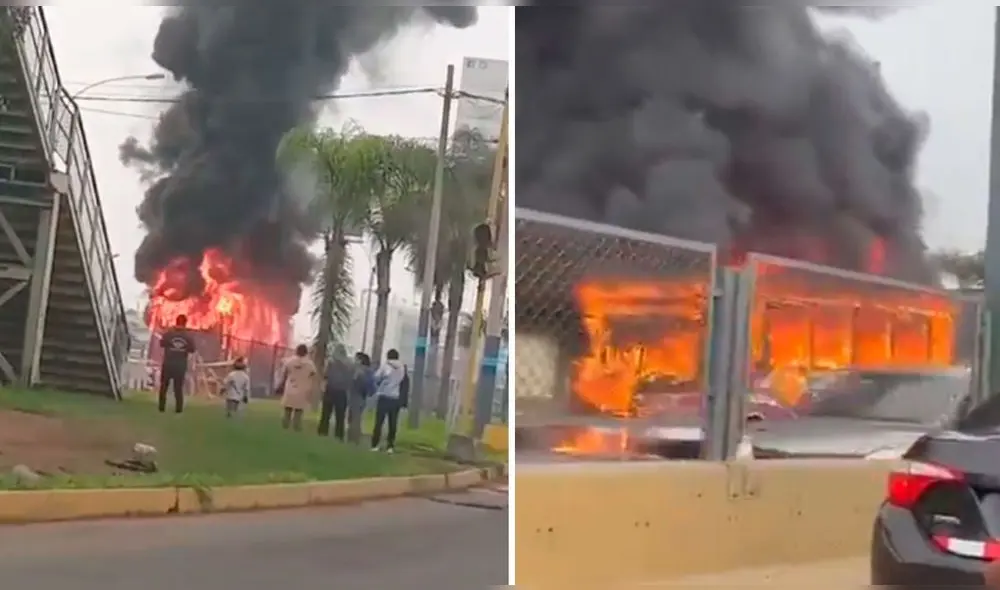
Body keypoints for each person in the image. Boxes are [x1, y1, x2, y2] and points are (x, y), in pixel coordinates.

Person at [370, 349, 407, 453]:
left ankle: (375, 444)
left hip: (384, 396)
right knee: (393, 422)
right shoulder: (402, 368)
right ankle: (390, 446)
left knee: (379, 422)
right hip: (395, 397)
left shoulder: (385, 366)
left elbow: (376, 377)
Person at [158, 314, 196, 414]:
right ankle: (178, 409)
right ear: (185, 323)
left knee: (164, 386)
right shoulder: (188, 336)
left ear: (176, 321)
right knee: (178, 388)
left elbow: (161, 343)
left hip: (168, 363)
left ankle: (161, 408)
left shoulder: (169, 334)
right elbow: (192, 350)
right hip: (180, 365)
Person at [277, 344, 318, 431]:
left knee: (287, 410)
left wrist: (281, 384)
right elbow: (313, 375)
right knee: (298, 412)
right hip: (303, 390)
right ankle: (296, 428)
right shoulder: (309, 364)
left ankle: (285, 428)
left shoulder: (290, 361)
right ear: (306, 352)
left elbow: (284, 374)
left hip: (291, 388)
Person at [318, 344, 353, 439]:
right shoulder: (349, 363)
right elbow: (351, 377)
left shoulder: (330, 361)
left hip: (331, 389)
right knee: (340, 416)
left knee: (326, 413)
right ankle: (339, 435)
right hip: (342, 391)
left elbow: (325, 374)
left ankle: (322, 431)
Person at [348, 352, 376, 444]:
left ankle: (353, 439)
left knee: (354, 419)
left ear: (360, 360)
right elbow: (372, 387)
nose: (354, 361)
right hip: (362, 397)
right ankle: (354, 438)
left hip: (356, 395)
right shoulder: (369, 371)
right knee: (356, 417)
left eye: (356, 359)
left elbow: (354, 382)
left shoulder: (359, 371)